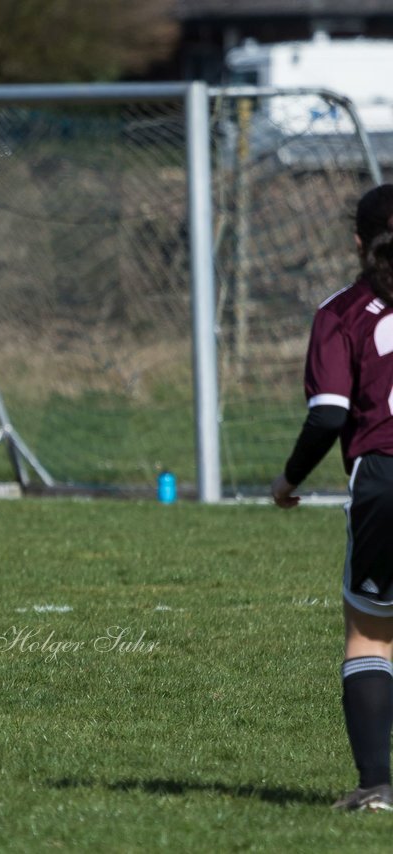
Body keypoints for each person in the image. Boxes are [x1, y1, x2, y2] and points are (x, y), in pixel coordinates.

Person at [272, 183, 393, 812]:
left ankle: (377, 787)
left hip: (384, 478)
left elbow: (328, 416)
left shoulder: (343, 310)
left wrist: (289, 481)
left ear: (357, 242)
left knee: (372, 637)